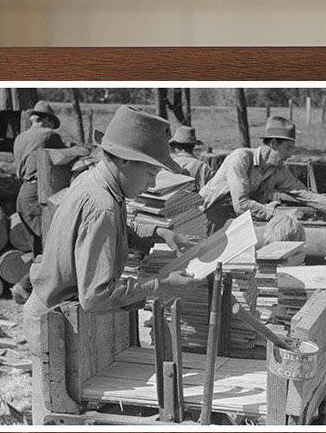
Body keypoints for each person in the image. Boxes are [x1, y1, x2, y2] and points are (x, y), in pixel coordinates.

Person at [23, 106, 201, 413]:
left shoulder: (96, 181)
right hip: (56, 324)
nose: (152, 183)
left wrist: (160, 232)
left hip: (57, 315)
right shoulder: (103, 205)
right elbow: (95, 296)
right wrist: (160, 285)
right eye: (149, 172)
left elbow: (123, 225)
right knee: (58, 425)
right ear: (123, 161)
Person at [199, 115, 326, 232]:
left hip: (233, 220)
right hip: (205, 219)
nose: (290, 155)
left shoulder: (278, 170)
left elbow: (307, 195)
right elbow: (241, 204)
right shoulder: (241, 158)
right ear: (273, 143)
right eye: (287, 148)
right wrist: (281, 214)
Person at [12, 100, 88, 249]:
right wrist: (80, 151)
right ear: (47, 120)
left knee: (38, 252)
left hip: (23, 195)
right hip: (38, 195)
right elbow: (64, 158)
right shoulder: (49, 135)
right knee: (49, 249)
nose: (53, 128)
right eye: (52, 123)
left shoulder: (20, 138)